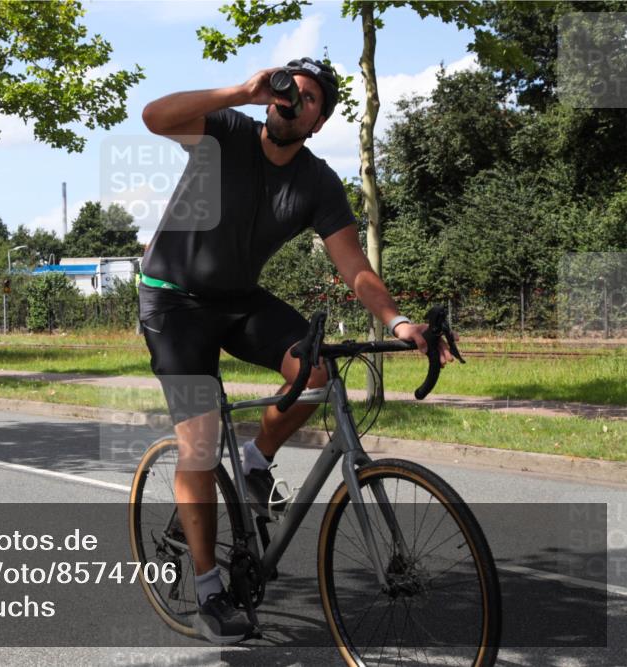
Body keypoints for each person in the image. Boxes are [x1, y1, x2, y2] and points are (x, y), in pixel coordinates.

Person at [138, 57, 456, 644]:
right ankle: (208, 591)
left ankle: (256, 463)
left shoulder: (317, 182)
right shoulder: (225, 130)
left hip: (238, 299)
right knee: (201, 444)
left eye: (310, 100)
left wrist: (399, 319)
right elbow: (154, 116)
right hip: (172, 302)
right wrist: (240, 89)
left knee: (315, 368)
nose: (294, 101)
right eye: (290, 91)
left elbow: (355, 266)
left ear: (318, 122)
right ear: (271, 98)